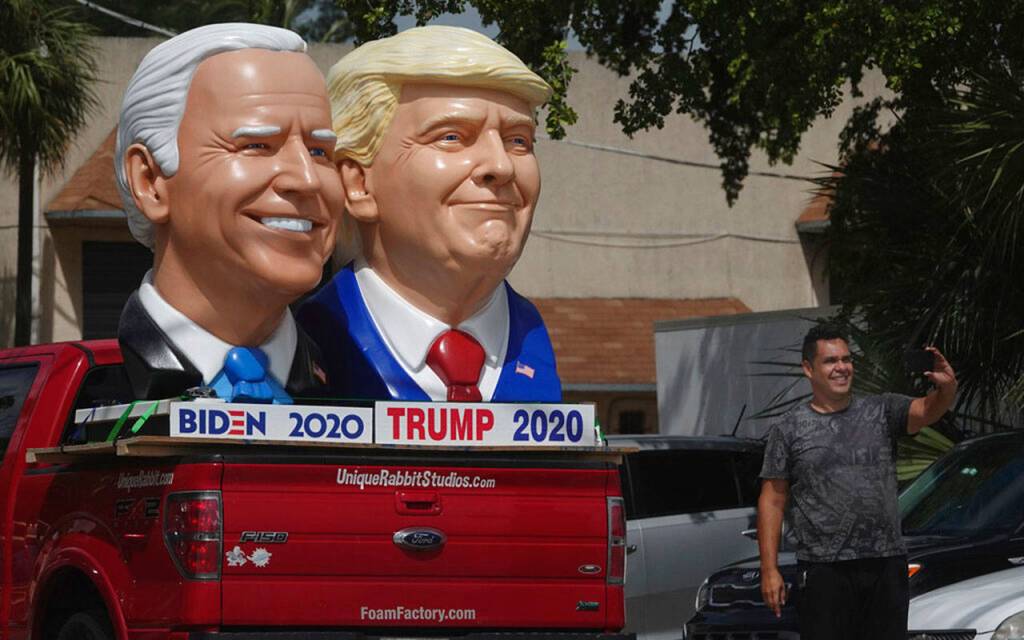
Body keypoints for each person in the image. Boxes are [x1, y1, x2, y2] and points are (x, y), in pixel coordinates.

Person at [297, 26, 560, 402]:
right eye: (451, 137)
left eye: (518, 141)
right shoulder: (308, 347)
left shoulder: (531, 340)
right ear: (358, 183)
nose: (501, 166)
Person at [114, 23, 343, 403]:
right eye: (256, 145)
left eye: (319, 152)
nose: (307, 179)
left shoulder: (352, 381)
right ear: (150, 181)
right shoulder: (85, 389)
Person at [757, 324, 958, 640]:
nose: (841, 367)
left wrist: (946, 388)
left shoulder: (882, 410)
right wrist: (769, 570)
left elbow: (926, 410)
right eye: (830, 361)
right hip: (824, 569)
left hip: (885, 563)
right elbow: (772, 499)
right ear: (808, 368)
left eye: (846, 359)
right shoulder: (789, 428)